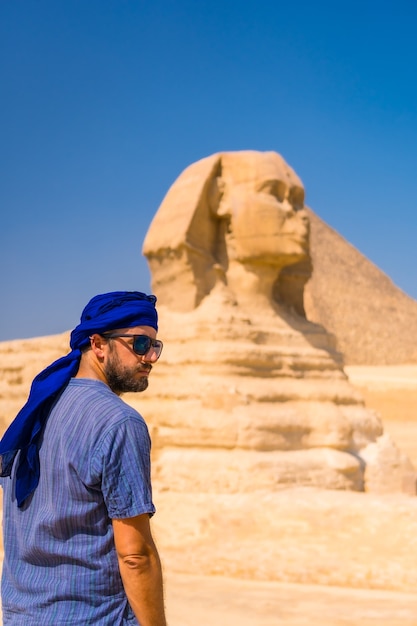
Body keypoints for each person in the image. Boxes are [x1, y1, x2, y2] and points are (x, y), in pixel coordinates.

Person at [0, 291, 167, 626]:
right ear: (99, 345)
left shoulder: (36, 412)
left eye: (155, 346)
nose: (150, 357)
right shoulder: (119, 422)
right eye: (139, 344)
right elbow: (135, 555)